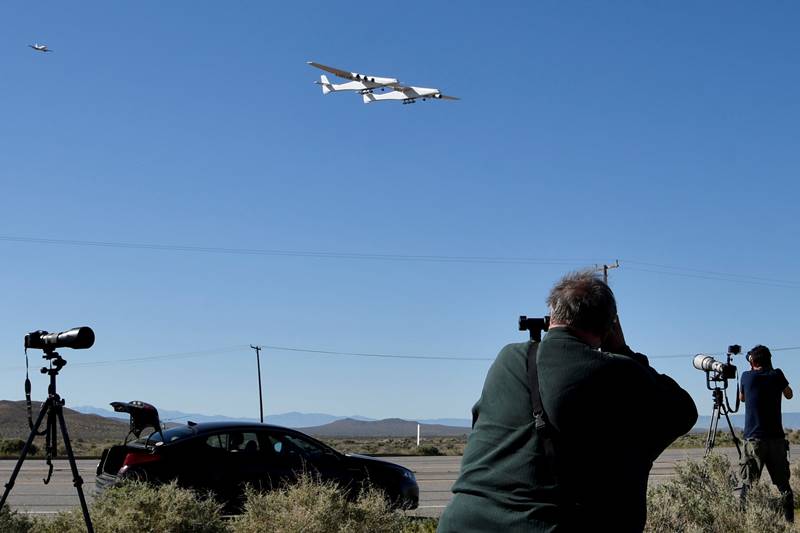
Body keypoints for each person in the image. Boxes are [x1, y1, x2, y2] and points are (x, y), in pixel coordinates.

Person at [438, 271, 698, 533]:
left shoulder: (508, 358)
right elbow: (683, 411)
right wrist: (622, 350)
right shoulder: (614, 371)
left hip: (462, 521)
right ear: (608, 326)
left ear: (552, 314)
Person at [739, 344, 794, 522]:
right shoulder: (777, 375)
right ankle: (789, 522)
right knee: (783, 485)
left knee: (748, 485)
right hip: (776, 439)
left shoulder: (746, 376)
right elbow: (789, 394)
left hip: (754, 439)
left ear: (752, 361)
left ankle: (742, 521)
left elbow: (742, 398)